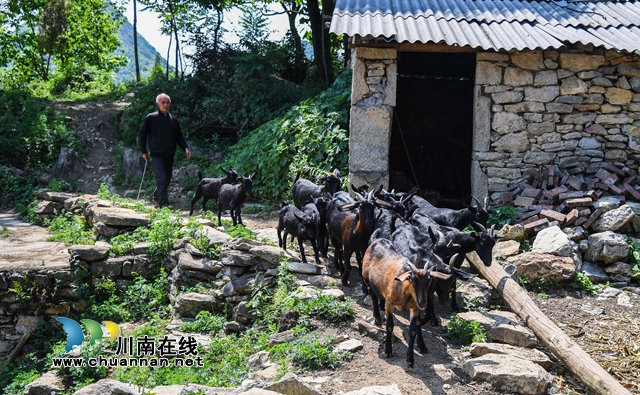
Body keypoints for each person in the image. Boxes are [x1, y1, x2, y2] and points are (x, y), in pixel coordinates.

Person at [139, 93, 191, 208]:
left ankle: (158, 197)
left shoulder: (173, 120)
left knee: (166, 179)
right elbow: (142, 135)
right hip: (156, 154)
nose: (165, 105)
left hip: (170, 154)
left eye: (167, 102)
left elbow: (179, 137)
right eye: (163, 102)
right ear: (158, 104)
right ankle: (164, 206)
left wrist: (185, 148)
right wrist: (144, 151)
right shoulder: (151, 118)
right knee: (161, 178)